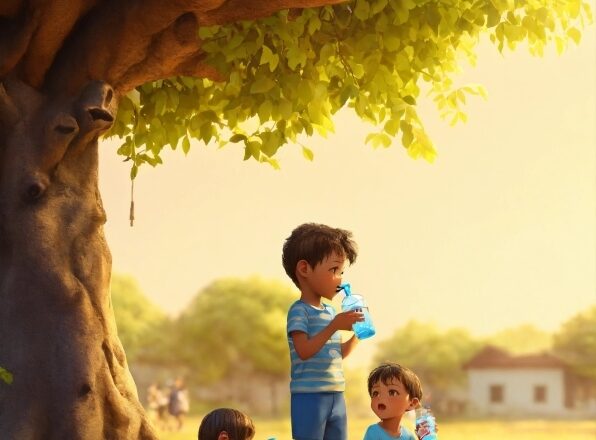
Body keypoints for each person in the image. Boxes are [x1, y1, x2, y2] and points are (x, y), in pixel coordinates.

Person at [282, 223, 364, 440]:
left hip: (337, 393)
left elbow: (338, 353)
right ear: (304, 269)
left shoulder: (329, 311)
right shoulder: (299, 311)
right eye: (334, 270)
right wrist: (335, 325)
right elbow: (304, 351)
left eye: (342, 272)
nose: (340, 279)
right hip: (309, 396)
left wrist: (359, 333)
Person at [363, 362, 423, 440]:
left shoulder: (408, 436)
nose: (381, 398)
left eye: (392, 392)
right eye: (376, 393)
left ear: (412, 403)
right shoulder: (373, 432)